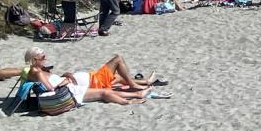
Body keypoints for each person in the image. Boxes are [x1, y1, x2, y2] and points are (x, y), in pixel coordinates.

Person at [21, 47, 160, 106]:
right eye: (42, 57)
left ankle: (142, 84)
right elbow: (51, 88)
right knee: (117, 60)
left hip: (82, 81)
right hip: (81, 85)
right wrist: (65, 80)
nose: (45, 59)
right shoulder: (37, 72)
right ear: (34, 60)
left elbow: (53, 81)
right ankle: (136, 90)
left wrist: (67, 75)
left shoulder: (38, 70)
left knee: (116, 78)